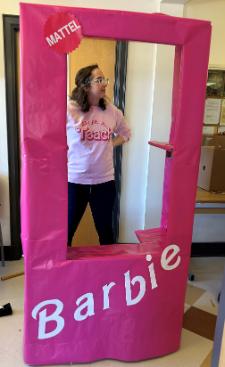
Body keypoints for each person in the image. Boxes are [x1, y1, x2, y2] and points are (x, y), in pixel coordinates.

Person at [67, 64, 131, 246]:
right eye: (99, 80)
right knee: (67, 230)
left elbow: (125, 134)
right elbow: (53, 137)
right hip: (75, 181)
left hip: (104, 182)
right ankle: (63, 273)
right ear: (85, 85)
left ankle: (109, 272)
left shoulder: (112, 111)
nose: (105, 84)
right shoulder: (69, 109)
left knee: (106, 232)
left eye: (105, 80)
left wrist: (109, 144)